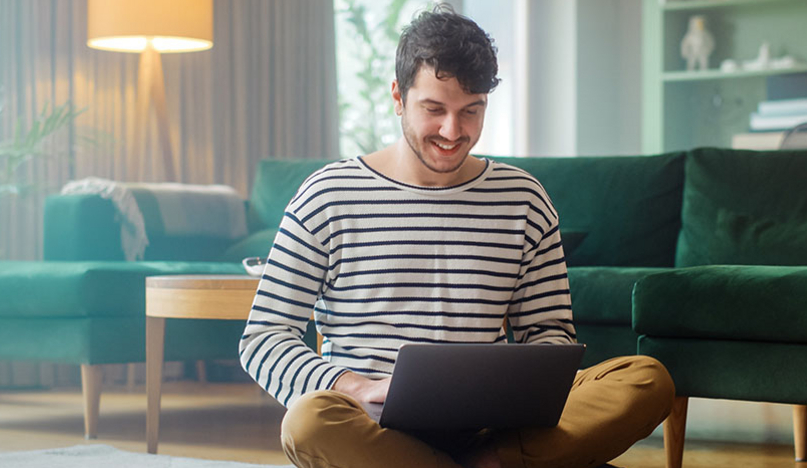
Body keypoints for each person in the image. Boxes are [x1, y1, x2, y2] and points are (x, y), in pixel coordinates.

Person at [239, 6, 674, 468]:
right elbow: (265, 337)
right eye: (434, 109)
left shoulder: (523, 198)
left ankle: (485, 460)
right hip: (372, 425)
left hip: (496, 426)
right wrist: (357, 387)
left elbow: (548, 334)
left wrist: (522, 391)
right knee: (308, 423)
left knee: (646, 379)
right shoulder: (327, 194)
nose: (453, 131)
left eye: (471, 111)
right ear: (398, 97)